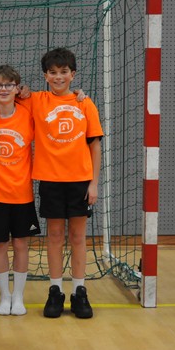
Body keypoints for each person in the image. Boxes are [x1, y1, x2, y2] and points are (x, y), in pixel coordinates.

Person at [23, 48, 103, 319]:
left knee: (78, 237)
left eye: (64, 72)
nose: (59, 77)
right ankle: (55, 291)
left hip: (80, 181)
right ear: (45, 76)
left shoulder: (85, 103)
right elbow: (7, 93)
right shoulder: (37, 100)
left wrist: (94, 183)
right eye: (53, 72)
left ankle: (79, 291)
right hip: (51, 180)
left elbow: (95, 146)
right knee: (55, 237)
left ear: (73, 74)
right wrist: (21, 89)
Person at [0, 65, 40, 316]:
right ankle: (4, 296)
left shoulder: (27, 113)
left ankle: (18, 296)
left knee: (21, 244)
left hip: (23, 193)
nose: (4, 89)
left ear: (17, 88)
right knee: (0, 245)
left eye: (9, 85)